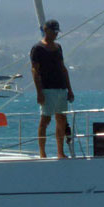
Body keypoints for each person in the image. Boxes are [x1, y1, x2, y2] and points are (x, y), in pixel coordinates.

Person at [30, 19, 75, 158]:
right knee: (45, 120)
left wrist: (70, 89)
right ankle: (42, 153)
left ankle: (60, 152)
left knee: (61, 119)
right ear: (46, 30)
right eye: (53, 31)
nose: (56, 34)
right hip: (47, 89)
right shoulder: (37, 48)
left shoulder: (58, 47)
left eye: (57, 32)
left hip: (60, 88)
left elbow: (63, 69)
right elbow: (35, 71)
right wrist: (39, 92)